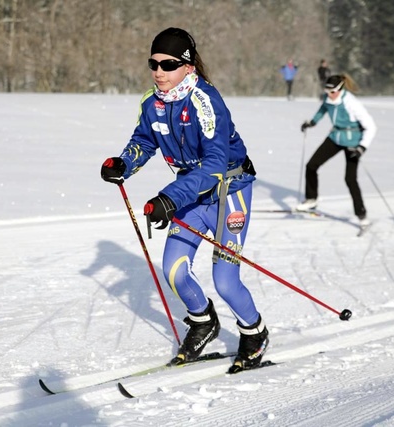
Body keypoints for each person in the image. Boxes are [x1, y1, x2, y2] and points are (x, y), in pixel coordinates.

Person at [100, 27, 268, 373]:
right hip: (191, 195)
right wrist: (124, 162)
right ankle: (203, 322)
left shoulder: (206, 102)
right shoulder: (152, 102)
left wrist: (169, 198)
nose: (158, 71)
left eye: (169, 64)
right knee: (173, 270)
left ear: (188, 67)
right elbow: (145, 140)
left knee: (225, 281)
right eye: (153, 63)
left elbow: (214, 165)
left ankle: (254, 333)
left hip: (228, 194)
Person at [297, 74, 377, 228]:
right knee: (311, 165)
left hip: (353, 142)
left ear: (340, 89)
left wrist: (362, 147)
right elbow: (323, 109)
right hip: (335, 137)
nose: (329, 95)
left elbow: (371, 126)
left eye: (332, 92)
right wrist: (312, 122)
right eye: (327, 91)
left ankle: (362, 215)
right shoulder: (329, 98)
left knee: (350, 179)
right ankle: (311, 199)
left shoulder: (351, 103)